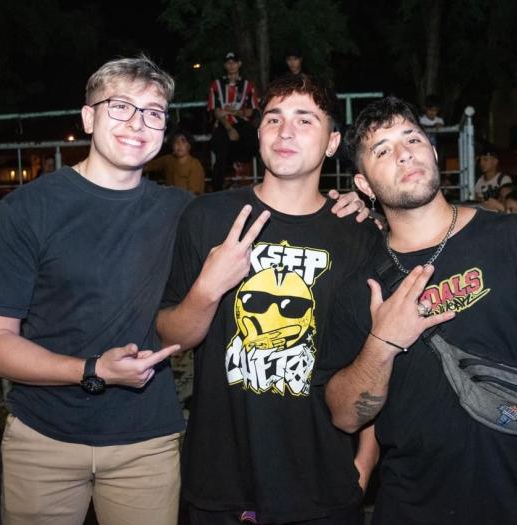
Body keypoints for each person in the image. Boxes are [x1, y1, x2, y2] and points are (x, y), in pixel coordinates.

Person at [321, 96, 517, 525]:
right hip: (415, 507)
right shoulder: (359, 281)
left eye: (412, 139)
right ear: (363, 185)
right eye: (382, 150)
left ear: (433, 152)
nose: (404, 154)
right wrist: (383, 342)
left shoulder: (516, 237)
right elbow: (344, 416)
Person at [0, 54, 191, 525]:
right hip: (42, 438)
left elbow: (275, 216)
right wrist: (93, 370)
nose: (138, 123)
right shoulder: (28, 210)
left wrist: (347, 204)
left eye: (153, 112)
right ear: (88, 117)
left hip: (146, 443)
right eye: (120, 107)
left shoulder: (182, 211)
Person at [156, 73, 380, 525]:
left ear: (333, 141)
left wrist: (365, 463)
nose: (286, 131)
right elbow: (171, 338)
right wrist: (208, 288)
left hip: (324, 485)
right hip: (220, 485)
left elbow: (376, 356)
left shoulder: (359, 234)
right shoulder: (206, 217)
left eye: (305, 119)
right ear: (258, 133)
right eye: (273, 118)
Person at [208, 52, 260, 191]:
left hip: (242, 123)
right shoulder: (216, 85)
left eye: (234, 62)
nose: (231, 65)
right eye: (229, 63)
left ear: (239, 64)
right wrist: (230, 128)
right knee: (220, 154)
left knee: (256, 141)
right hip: (223, 124)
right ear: (225, 65)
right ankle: (217, 191)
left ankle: (262, 186)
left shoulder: (248, 85)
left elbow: (252, 111)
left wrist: (231, 111)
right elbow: (217, 111)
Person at [146, 129, 206, 194]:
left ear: (189, 145)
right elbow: (148, 166)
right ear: (171, 145)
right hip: (169, 199)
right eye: (176, 142)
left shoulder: (195, 165)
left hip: (187, 201)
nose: (179, 145)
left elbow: (195, 192)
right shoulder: (167, 159)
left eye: (183, 142)